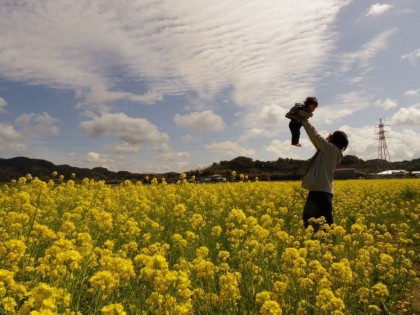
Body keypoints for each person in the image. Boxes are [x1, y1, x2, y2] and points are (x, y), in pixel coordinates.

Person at [300, 118, 348, 231]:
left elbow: (316, 136)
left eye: (331, 135)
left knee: (320, 223)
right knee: (315, 221)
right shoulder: (330, 151)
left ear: (334, 139)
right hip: (321, 191)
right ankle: (321, 243)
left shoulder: (331, 150)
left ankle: (328, 244)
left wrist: (304, 120)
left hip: (321, 192)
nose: (329, 135)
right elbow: (315, 140)